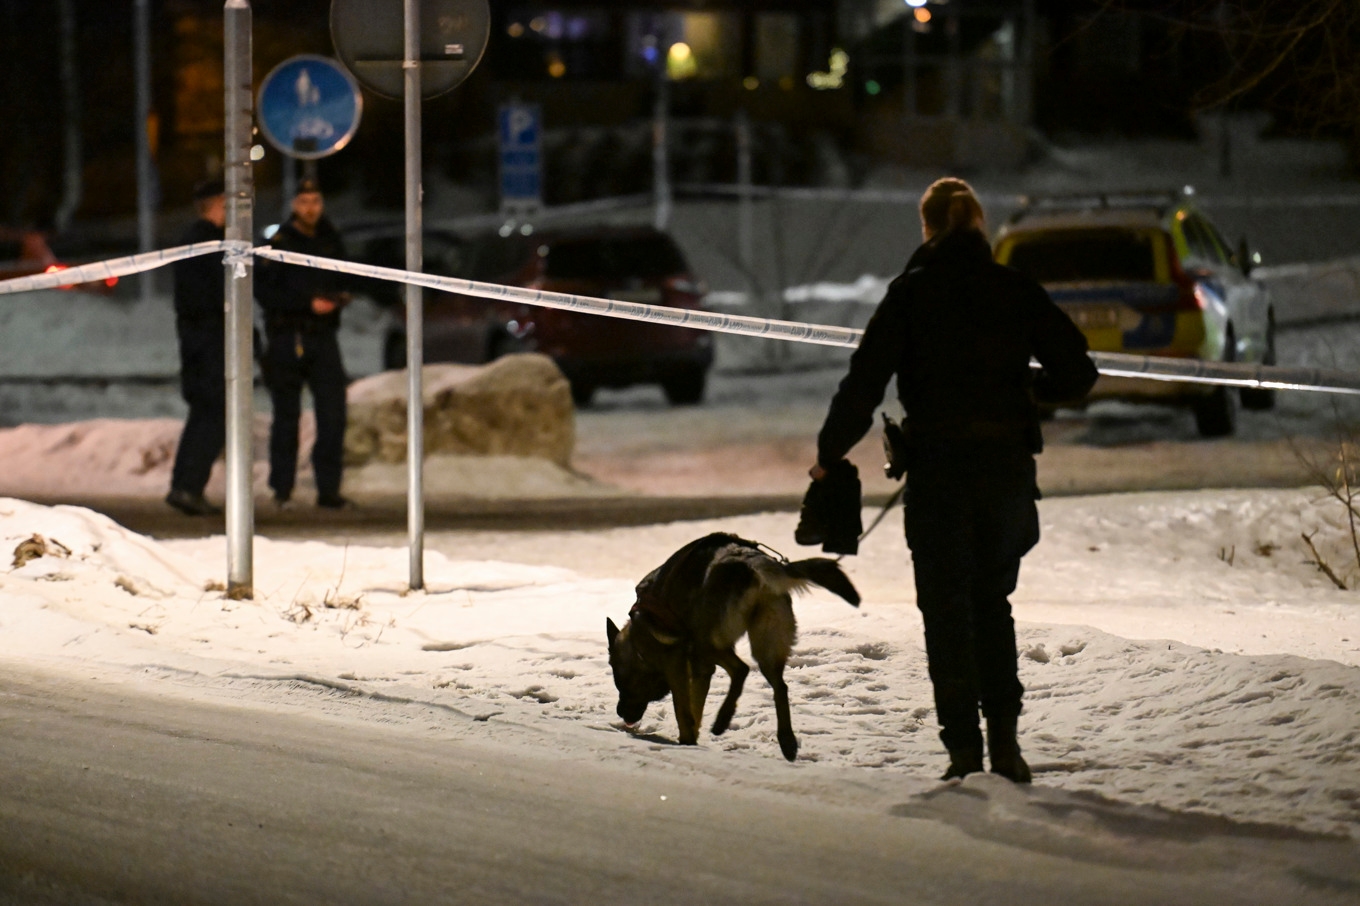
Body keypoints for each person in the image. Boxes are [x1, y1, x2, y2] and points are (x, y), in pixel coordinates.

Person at [810, 178, 1098, 783]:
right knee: (993, 604)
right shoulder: (1013, 289)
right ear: (979, 227)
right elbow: (1077, 371)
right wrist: (1026, 395)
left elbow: (864, 381)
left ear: (926, 228)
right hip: (1004, 473)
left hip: (940, 473)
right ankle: (1007, 748)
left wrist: (828, 452)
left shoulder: (911, 295)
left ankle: (963, 753)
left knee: (945, 612)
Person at [255, 178, 352, 509]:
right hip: (287, 336)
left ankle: (329, 490)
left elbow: (345, 275)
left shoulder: (330, 238)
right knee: (286, 416)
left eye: (316, 201)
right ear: (294, 205)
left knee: (333, 414)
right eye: (304, 202)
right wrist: (305, 304)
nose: (311, 209)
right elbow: (266, 292)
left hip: (323, 336)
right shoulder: (280, 242)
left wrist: (339, 297)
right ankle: (282, 488)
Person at [165, 177, 228, 517]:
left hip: (199, 338)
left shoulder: (198, 240)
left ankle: (186, 486)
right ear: (219, 202)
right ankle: (187, 487)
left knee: (206, 412)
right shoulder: (207, 243)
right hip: (208, 340)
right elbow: (216, 295)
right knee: (212, 413)